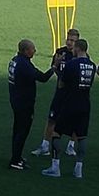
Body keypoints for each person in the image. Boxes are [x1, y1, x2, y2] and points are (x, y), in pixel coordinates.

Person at [43, 39, 99, 179]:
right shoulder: (92, 66)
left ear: (78, 48)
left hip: (69, 103)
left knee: (56, 133)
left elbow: (62, 84)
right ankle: (78, 169)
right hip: (85, 104)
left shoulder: (71, 64)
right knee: (82, 136)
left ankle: (55, 167)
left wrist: (56, 67)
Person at [31, 28, 80, 158]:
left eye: (73, 40)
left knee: (75, 120)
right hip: (60, 93)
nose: (70, 42)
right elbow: (55, 67)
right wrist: (60, 76)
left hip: (73, 94)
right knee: (52, 119)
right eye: (68, 39)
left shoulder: (80, 56)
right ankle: (45, 146)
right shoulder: (60, 52)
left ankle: (71, 146)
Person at [7, 39, 54, 170]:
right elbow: (43, 78)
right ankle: (15, 160)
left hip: (15, 100)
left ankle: (16, 156)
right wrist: (54, 67)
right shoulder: (24, 65)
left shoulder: (15, 60)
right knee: (22, 131)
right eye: (33, 49)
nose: (35, 51)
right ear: (26, 51)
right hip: (24, 103)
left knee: (17, 130)